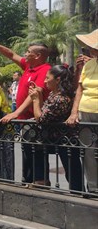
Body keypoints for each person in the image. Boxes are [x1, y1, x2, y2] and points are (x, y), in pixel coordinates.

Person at [0, 35, 51, 185]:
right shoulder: (28, 67)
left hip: (34, 120)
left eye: (28, 52)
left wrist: (16, 112)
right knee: (27, 151)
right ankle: (29, 181)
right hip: (24, 121)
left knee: (37, 152)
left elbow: (35, 94)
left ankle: (41, 182)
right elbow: (11, 54)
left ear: (38, 55)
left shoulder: (45, 69)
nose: (25, 54)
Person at [30, 65, 82, 191]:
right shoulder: (55, 95)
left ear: (58, 80)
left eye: (48, 78)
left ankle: (78, 194)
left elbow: (41, 119)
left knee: (72, 172)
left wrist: (36, 100)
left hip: (64, 139)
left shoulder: (60, 98)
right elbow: (45, 113)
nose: (45, 81)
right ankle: (42, 180)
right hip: (55, 138)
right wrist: (40, 97)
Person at [66, 29, 98, 197]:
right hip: (86, 112)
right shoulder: (89, 65)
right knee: (88, 151)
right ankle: (93, 188)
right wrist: (74, 112)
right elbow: (79, 89)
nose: (90, 50)